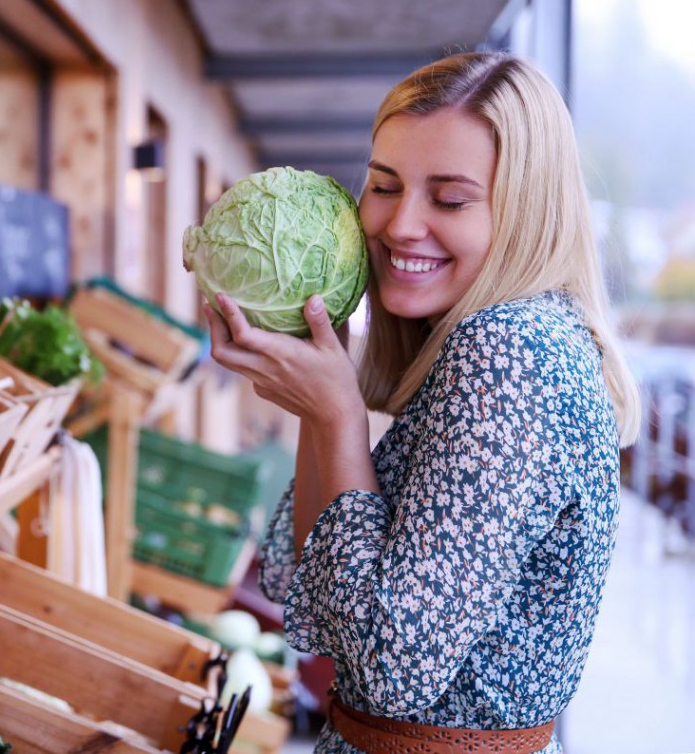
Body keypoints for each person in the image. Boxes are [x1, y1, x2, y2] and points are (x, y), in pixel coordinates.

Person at [203, 51, 641, 753]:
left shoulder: (509, 352)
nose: (400, 226)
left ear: (525, 212)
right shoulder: (499, 339)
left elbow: (385, 667)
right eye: (384, 185)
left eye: (450, 198)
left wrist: (339, 415)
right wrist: (321, 398)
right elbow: (303, 580)